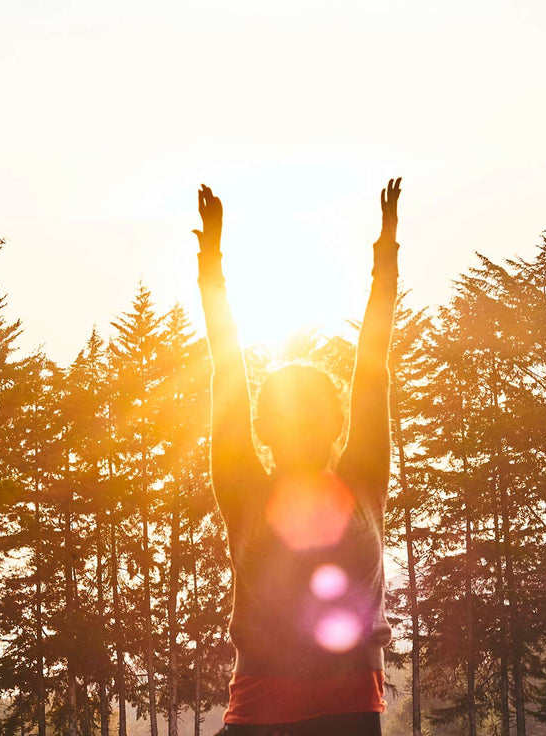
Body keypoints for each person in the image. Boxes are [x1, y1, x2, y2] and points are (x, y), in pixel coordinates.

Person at [194, 178, 402, 736]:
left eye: (310, 413)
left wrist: (387, 257)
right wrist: (210, 269)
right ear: (259, 427)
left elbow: (373, 371)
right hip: (261, 709)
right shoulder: (243, 490)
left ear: (335, 422)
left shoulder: (363, 481)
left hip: (352, 710)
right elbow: (226, 373)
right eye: (282, 415)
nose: (296, 426)